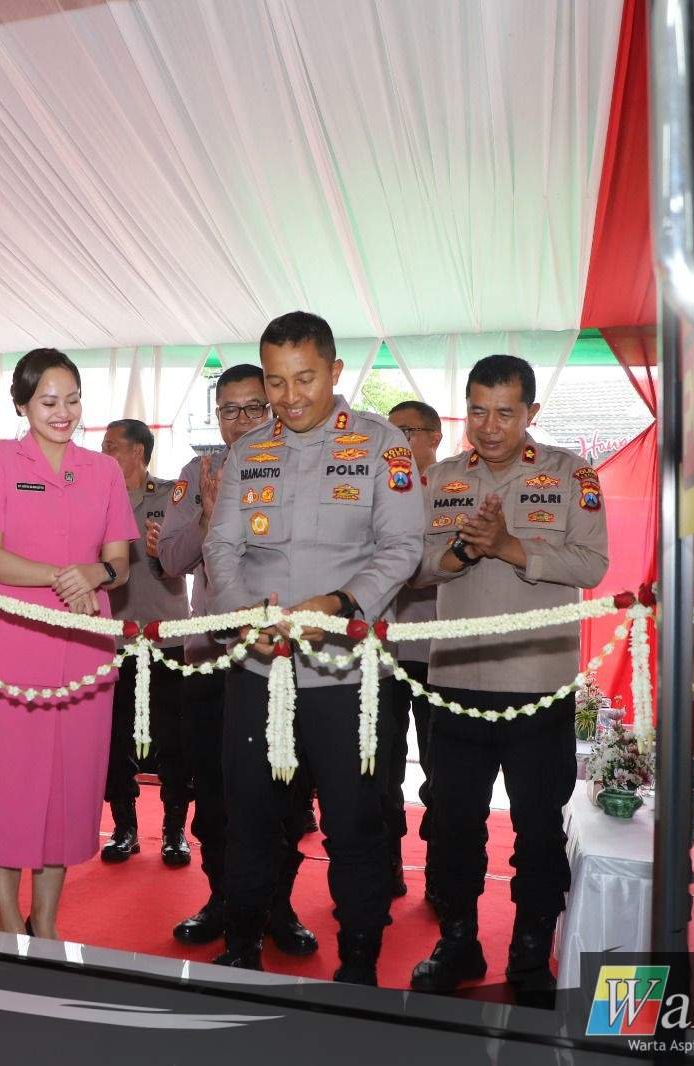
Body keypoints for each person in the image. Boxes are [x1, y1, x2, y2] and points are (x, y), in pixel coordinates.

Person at [202, 312, 424, 985]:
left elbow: (402, 547)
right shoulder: (248, 451)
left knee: (353, 824)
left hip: (345, 676)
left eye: (305, 378)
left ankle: (358, 960)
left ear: (334, 371)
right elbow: (222, 546)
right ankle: (243, 945)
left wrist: (339, 604)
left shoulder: (382, 445)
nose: (290, 396)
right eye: (276, 382)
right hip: (258, 670)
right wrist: (246, 614)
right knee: (249, 817)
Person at [408, 354, 609, 994]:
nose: (489, 427)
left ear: (531, 413)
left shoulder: (573, 475)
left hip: (537, 686)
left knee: (538, 828)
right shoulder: (440, 479)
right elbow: (412, 566)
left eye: (504, 413)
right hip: (456, 683)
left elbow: (592, 565)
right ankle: (458, 942)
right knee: (453, 824)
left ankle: (528, 955)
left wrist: (508, 547)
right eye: (477, 411)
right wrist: (462, 551)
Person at [0, 348, 138, 940]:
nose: (63, 412)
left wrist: (96, 573)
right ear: (22, 405)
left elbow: (119, 564)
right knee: (4, 784)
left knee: (67, 786)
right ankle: (8, 918)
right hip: (8, 644)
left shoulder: (103, 470)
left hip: (84, 650)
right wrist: (66, 576)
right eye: (48, 401)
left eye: (73, 400)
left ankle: (46, 919)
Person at [157, 365, 316, 958]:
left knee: (288, 793)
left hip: (282, 659)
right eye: (230, 410)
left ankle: (278, 905)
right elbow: (170, 561)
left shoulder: (302, 466)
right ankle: (223, 900)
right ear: (216, 416)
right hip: (211, 658)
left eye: (254, 408)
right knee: (215, 794)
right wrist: (208, 514)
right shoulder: (195, 474)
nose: (242, 420)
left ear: (273, 408)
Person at [99, 418, 192, 866]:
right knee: (114, 738)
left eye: (110, 446)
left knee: (175, 738)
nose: (103, 453)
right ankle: (124, 826)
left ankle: (175, 829)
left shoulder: (172, 497)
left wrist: (163, 553)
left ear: (137, 451)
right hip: (114, 639)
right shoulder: (97, 500)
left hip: (167, 638)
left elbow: (189, 560)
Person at [384, 400, 443, 907]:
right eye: (391, 430)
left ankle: (442, 875)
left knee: (441, 768)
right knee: (380, 766)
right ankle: (384, 867)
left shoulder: (451, 487)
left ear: (434, 438)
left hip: (435, 650)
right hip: (380, 649)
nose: (396, 440)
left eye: (406, 431)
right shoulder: (377, 484)